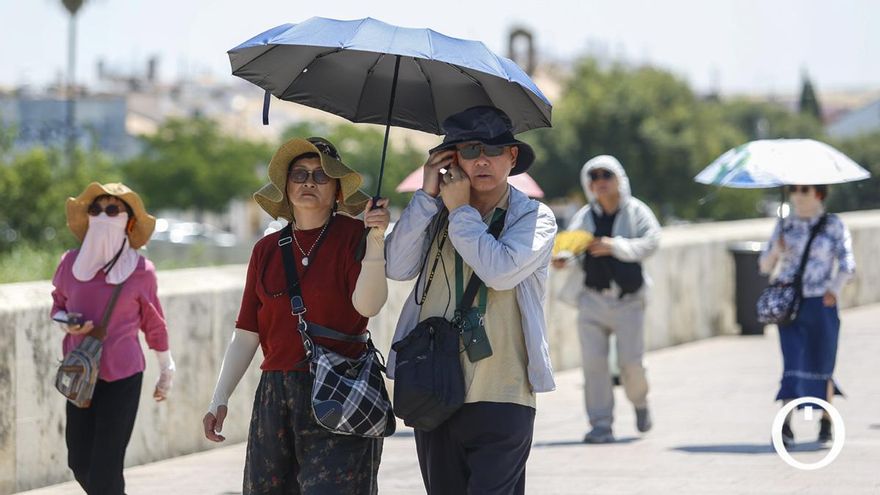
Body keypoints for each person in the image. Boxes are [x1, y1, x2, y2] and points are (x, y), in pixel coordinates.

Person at [202, 137, 391, 494]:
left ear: (337, 191)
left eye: (321, 176)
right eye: (300, 175)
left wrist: (376, 240)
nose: (308, 182)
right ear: (286, 188)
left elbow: (369, 307)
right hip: (276, 393)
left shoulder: (355, 235)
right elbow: (246, 333)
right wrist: (219, 398)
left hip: (341, 387)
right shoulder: (266, 250)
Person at [385, 106, 557, 495]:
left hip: (504, 391)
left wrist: (461, 211)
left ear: (512, 157)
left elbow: (499, 270)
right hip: (434, 388)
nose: (482, 160)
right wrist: (427, 197)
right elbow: (396, 267)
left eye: (494, 150)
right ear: (452, 159)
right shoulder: (435, 212)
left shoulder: (534, 217)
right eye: (470, 149)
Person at [51, 182, 174, 494]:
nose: (102, 216)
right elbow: (58, 306)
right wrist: (67, 323)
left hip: (122, 376)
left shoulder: (141, 271)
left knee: (107, 467)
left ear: (128, 221)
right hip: (79, 375)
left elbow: (154, 323)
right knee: (78, 461)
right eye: (95, 209)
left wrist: (166, 369)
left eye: (112, 209)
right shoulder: (69, 263)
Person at [557, 155, 660, 444]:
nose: (599, 182)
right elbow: (573, 247)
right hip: (592, 300)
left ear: (619, 178)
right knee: (594, 365)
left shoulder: (637, 211)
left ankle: (640, 402)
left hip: (629, 300)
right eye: (594, 177)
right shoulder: (585, 216)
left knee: (631, 363)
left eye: (606, 175)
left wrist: (615, 246)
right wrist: (564, 260)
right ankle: (600, 424)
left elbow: (653, 242)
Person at [760, 184, 854, 446]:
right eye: (794, 190)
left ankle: (825, 418)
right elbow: (764, 265)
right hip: (790, 306)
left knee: (822, 364)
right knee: (793, 364)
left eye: (804, 190)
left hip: (821, 305)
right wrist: (777, 250)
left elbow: (848, 263)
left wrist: (834, 289)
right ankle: (785, 424)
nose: (797, 196)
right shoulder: (784, 225)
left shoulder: (833, 225)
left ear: (819, 194)